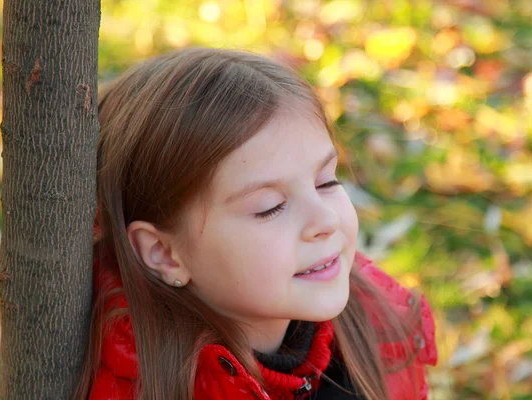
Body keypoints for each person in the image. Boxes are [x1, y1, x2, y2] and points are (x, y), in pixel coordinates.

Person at [74, 47, 437, 400]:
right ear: (164, 253)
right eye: (271, 207)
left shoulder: (379, 328)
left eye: (326, 181)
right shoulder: (140, 386)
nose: (325, 220)